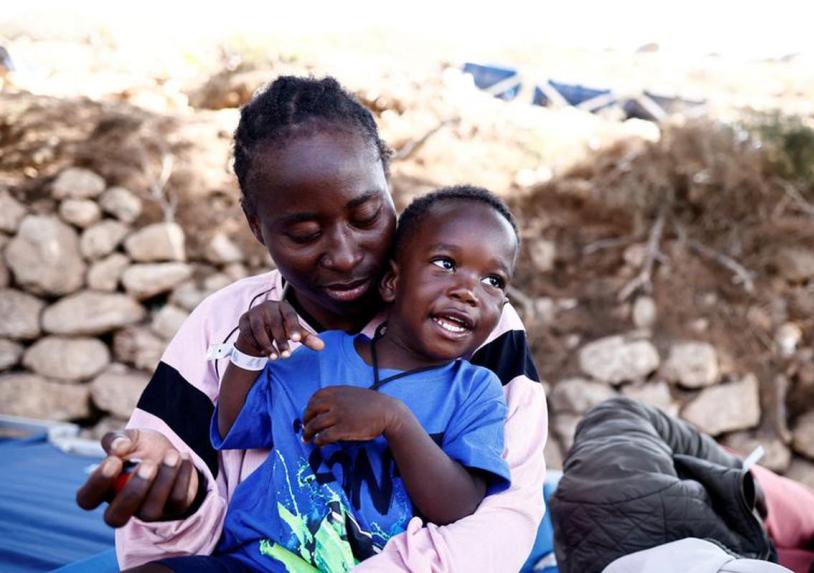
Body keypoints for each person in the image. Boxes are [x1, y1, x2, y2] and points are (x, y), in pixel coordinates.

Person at [76, 76, 548, 571]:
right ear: (257, 225)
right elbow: (220, 449)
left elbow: (498, 522)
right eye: (304, 233)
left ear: (388, 185)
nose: (344, 257)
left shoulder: (477, 330)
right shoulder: (228, 327)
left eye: (366, 217)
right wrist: (180, 500)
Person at [157, 186, 519, 572]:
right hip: (255, 562)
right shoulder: (319, 354)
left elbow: (459, 509)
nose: (468, 291)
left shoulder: (477, 391)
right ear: (392, 282)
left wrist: (396, 422)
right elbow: (235, 425)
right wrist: (248, 349)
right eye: (445, 263)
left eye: (494, 281)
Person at [549, 396, 814, 573]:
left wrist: (737, 479)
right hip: (754, 542)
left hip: (732, 511)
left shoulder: (620, 500)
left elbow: (621, 414)